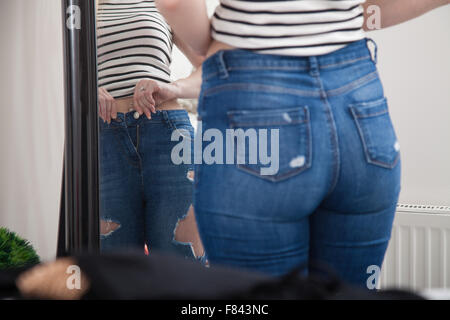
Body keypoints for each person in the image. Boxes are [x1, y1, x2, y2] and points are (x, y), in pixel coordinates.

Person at [155, 0, 449, 285]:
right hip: (359, 99)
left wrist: (208, 48)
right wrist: (335, 21)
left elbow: (175, 4)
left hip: (253, 91)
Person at [96, 0, 205, 261]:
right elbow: (53, 71)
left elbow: (214, 67)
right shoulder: (83, 7)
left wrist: (173, 88)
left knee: (183, 268)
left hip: (169, 136)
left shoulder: (165, 3)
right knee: (115, 273)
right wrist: (83, 87)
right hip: (102, 140)